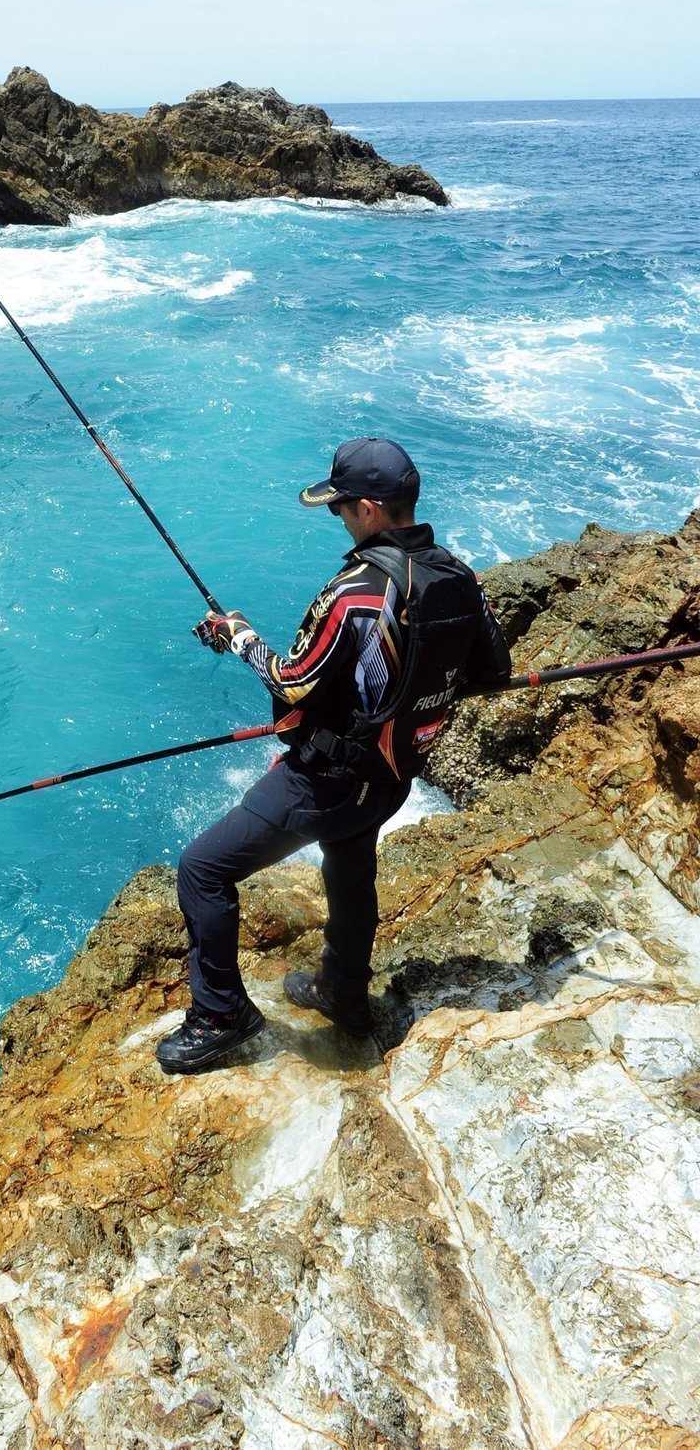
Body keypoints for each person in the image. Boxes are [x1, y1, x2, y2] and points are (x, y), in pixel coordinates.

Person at [156, 436, 511, 1075]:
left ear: (370, 509)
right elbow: (493, 668)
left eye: (341, 507)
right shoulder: (459, 574)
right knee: (350, 866)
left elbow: (292, 680)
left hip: (324, 784)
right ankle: (343, 992)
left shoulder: (355, 591)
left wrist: (237, 638)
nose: (338, 518)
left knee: (202, 869)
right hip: (396, 774)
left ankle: (221, 1015)